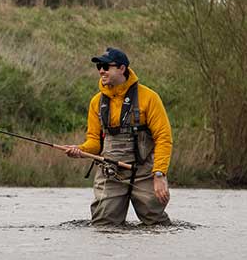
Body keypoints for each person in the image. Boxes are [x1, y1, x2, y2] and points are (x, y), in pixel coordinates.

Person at [63, 47, 172, 226]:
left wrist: (159, 174)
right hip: (110, 172)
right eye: (99, 66)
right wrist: (80, 150)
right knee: (103, 222)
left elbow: (163, 138)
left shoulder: (149, 98)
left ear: (122, 68)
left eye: (106, 66)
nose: (101, 71)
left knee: (155, 221)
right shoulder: (96, 102)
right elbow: (94, 142)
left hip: (144, 171)